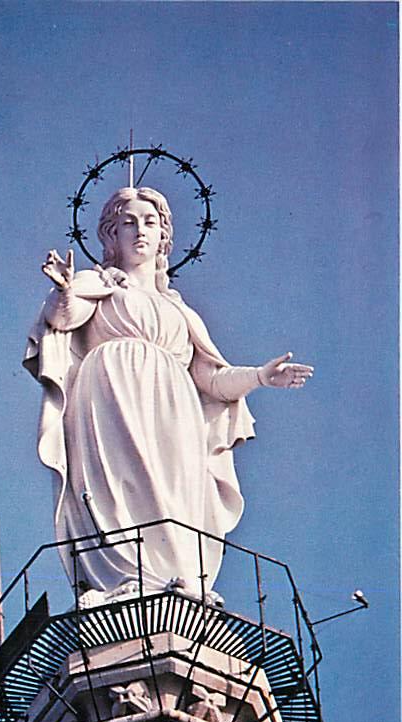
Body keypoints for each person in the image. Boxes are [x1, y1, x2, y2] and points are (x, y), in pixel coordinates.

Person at [23, 187, 312, 601]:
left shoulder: (180, 310)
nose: (140, 231)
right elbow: (64, 317)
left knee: (174, 491)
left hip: (174, 405)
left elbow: (212, 378)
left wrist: (260, 377)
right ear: (111, 236)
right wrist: (64, 289)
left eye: (150, 222)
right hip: (109, 395)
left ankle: (177, 575)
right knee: (117, 488)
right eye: (128, 223)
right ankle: (122, 579)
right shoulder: (99, 282)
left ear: (164, 237)